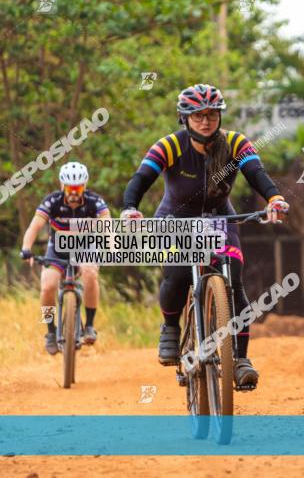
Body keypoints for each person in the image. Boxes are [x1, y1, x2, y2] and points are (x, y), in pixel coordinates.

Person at [120, 84, 289, 390]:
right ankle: (171, 328)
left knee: (234, 279)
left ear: (220, 116)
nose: (205, 121)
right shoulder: (169, 145)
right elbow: (141, 178)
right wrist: (130, 208)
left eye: (211, 115)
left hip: (220, 218)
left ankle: (240, 360)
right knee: (177, 274)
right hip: (176, 219)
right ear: (184, 118)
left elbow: (257, 175)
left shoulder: (236, 144)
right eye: (197, 116)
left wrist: (274, 199)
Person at [20, 162, 111, 354]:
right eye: (70, 187)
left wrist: (111, 247)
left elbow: (107, 227)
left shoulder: (95, 202)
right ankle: (50, 331)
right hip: (58, 249)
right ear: (62, 186)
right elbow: (35, 226)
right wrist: (26, 248)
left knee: (90, 273)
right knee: (47, 286)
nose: (74, 192)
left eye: (78, 187)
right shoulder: (52, 201)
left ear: (84, 186)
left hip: (85, 248)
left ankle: (90, 326)